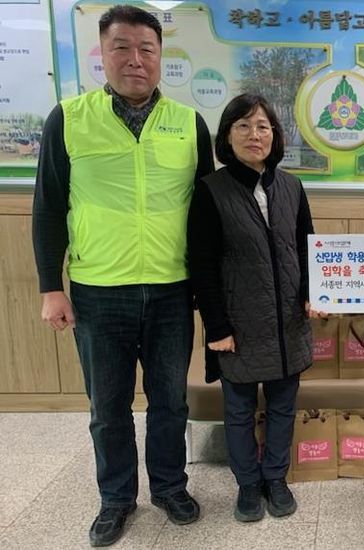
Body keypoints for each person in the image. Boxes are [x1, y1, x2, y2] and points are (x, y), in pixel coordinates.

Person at [32, 5, 214, 547]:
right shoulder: (69, 118)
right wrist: (50, 287)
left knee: (170, 401)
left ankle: (170, 488)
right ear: (102, 54)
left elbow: (205, 214)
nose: (135, 59)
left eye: (146, 49)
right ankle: (115, 499)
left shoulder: (188, 124)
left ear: (160, 56)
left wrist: (207, 288)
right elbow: (48, 208)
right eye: (122, 48)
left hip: (171, 289)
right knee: (108, 407)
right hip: (98, 291)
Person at [188, 93, 315, 523]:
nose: (254, 134)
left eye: (262, 126)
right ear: (227, 136)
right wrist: (217, 327)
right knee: (239, 411)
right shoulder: (211, 191)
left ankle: (275, 479)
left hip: (288, 324)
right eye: (242, 126)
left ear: (275, 135)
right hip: (237, 327)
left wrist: (312, 294)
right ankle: (247, 485)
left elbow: (306, 247)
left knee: (282, 407)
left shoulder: (292, 187)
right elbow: (202, 266)